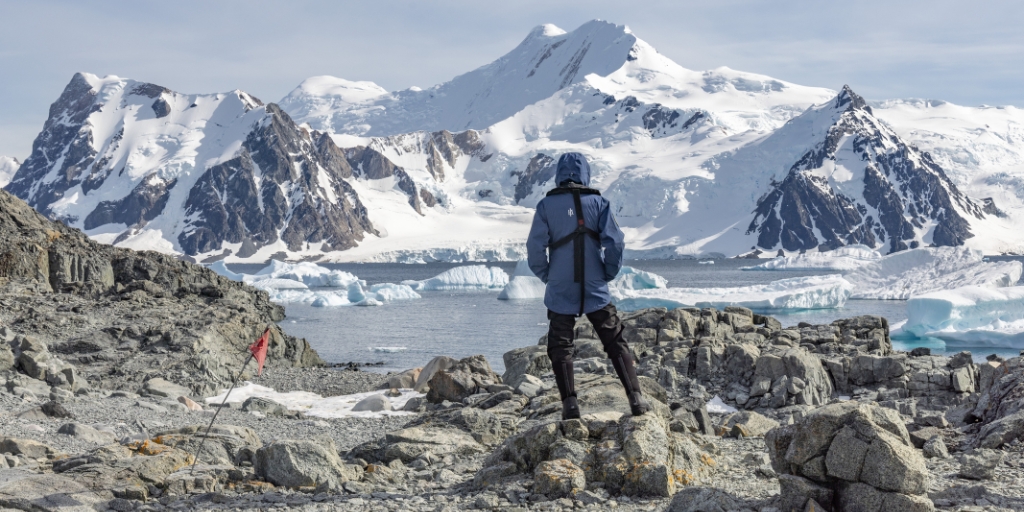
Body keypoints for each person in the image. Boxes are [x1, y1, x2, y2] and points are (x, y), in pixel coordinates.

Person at [526, 152, 651, 420]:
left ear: (559, 174)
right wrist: (607, 272)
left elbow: (535, 248)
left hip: (561, 285)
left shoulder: (546, 206)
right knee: (615, 339)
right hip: (595, 285)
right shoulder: (599, 203)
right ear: (585, 173)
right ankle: (636, 399)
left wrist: (548, 275)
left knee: (560, 344)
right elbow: (615, 243)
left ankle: (570, 406)